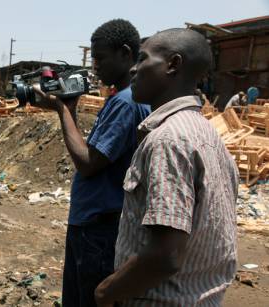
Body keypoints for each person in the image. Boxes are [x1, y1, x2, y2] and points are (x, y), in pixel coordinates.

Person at [94, 28, 238, 307]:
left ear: (173, 65)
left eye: (143, 59)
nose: (133, 69)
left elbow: (165, 255)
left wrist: (106, 291)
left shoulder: (168, 140)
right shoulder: (206, 134)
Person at [34, 19, 150, 306]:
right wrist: (69, 109)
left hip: (98, 228)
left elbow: (87, 162)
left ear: (125, 54)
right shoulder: (126, 99)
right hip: (97, 224)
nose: (95, 66)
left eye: (100, 58)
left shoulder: (125, 102)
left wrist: (61, 109)